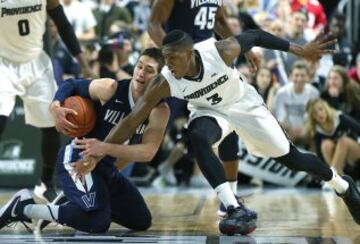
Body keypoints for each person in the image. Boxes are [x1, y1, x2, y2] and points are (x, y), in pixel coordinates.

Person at [76, 29, 360, 235]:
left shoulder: (219, 52)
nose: (169, 66)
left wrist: (301, 49)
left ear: (190, 54)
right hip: (210, 111)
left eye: (173, 59)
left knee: (292, 158)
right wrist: (99, 150)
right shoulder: (164, 82)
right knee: (197, 135)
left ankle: (343, 186)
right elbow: (131, 119)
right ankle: (233, 206)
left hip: (243, 104)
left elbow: (256, 35)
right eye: (166, 59)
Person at [0, 48, 170, 233]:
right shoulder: (111, 88)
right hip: (78, 157)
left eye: (149, 70)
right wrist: (55, 106)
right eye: (139, 66)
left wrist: (105, 148)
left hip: (106, 168)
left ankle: (69, 204)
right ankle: (22, 207)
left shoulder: (159, 110)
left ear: (160, 78)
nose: (141, 74)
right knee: (97, 222)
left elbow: (147, 152)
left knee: (141, 220)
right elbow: (71, 84)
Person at [148, 0, 259, 218]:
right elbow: (153, 24)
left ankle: (229, 200)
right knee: (148, 120)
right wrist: (175, 56)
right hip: (181, 67)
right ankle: (110, 168)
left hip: (209, 62)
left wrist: (242, 48)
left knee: (230, 122)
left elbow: (219, 21)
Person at [0, 0, 94, 202]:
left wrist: (84, 64)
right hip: (3, 62)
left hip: (37, 62)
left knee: (52, 124)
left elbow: (63, 24)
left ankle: (45, 183)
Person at [306, 98, 360, 177]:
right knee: (326, 145)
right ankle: (339, 177)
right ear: (312, 117)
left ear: (325, 108)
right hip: (340, 162)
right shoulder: (316, 131)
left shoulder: (339, 118)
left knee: (343, 141)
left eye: (320, 109)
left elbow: (358, 128)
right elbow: (320, 156)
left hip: (354, 155)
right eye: (315, 113)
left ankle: (333, 178)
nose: (319, 114)